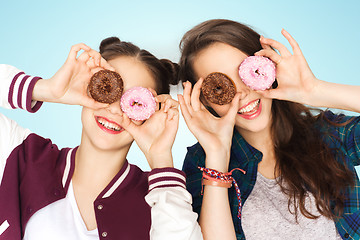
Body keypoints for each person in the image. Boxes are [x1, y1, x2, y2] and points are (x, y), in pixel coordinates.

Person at [0, 37, 203, 240]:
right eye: (106, 88)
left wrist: (160, 158)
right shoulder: (21, 155)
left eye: (134, 102)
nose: (114, 109)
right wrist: (49, 90)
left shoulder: (160, 198)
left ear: (150, 115)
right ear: (86, 87)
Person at [177, 19, 360, 240]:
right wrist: (217, 156)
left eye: (250, 71)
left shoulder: (327, 134)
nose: (242, 92)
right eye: (219, 87)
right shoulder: (201, 161)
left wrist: (315, 90)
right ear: (204, 101)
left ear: (270, 67)